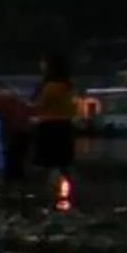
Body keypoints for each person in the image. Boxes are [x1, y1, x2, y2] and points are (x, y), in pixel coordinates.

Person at [32, 53, 79, 204]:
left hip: (48, 126)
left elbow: (40, 106)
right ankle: (72, 195)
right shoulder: (68, 85)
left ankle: (51, 196)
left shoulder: (48, 87)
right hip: (66, 126)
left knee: (50, 165)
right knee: (66, 164)